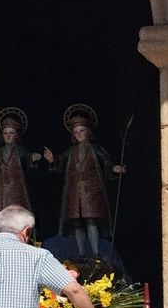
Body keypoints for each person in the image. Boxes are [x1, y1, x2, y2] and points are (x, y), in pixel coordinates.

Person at [43, 103, 123, 257]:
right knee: (77, 222)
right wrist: (53, 160)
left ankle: (96, 254)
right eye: (76, 132)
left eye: (82, 131)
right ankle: (81, 255)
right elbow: (60, 162)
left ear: (88, 132)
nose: (79, 134)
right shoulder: (71, 151)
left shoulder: (95, 148)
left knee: (91, 221)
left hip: (91, 191)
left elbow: (106, 162)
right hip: (74, 191)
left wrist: (115, 168)